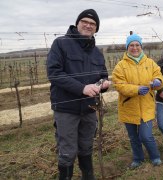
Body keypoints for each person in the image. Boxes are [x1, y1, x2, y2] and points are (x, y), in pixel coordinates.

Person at [47, 9, 110, 180]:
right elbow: (54, 73)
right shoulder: (60, 43)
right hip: (67, 108)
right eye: (85, 22)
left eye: (93, 24)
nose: (88, 25)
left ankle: (88, 177)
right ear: (77, 23)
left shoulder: (97, 52)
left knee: (86, 146)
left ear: (96, 28)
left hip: (90, 108)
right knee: (67, 150)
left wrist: (103, 84)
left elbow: (102, 76)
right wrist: (81, 88)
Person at [112, 33, 163, 169]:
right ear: (127, 47)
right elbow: (119, 84)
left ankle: (155, 156)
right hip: (129, 107)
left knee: (146, 136)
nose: (134, 48)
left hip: (146, 106)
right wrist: (135, 90)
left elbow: (159, 76)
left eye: (137, 45)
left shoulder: (150, 63)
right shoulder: (120, 66)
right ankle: (138, 158)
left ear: (141, 47)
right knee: (134, 138)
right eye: (131, 45)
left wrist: (158, 82)